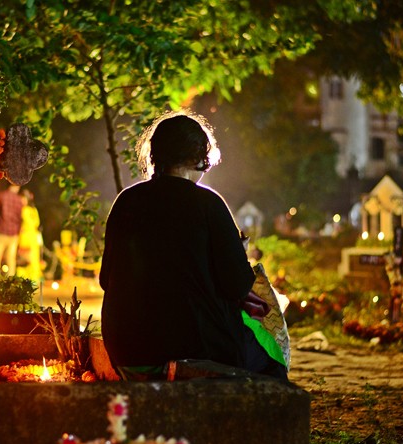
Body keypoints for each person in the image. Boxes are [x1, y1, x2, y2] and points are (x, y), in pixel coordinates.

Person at [100, 112, 287, 381]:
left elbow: (107, 280)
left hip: (128, 350)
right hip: (197, 348)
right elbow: (236, 284)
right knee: (273, 372)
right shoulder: (208, 204)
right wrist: (239, 251)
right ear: (200, 157)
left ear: (154, 156)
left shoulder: (126, 201)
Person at [0, 184, 24, 275]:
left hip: (1, 231)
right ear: (17, 187)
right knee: (11, 259)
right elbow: (21, 217)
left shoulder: (1, 195)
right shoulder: (19, 200)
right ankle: (11, 281)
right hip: (14, 234)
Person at [16, 189, 44, 281]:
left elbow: (29, 223)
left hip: (26, 236)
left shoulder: (24, 209)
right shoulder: (34, 209)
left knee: (26, 258)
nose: (21, 200)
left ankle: (24, 278)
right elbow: (37, 223)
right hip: (32, 236)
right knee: (31, 258)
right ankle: (33, 278)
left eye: (23, 198)